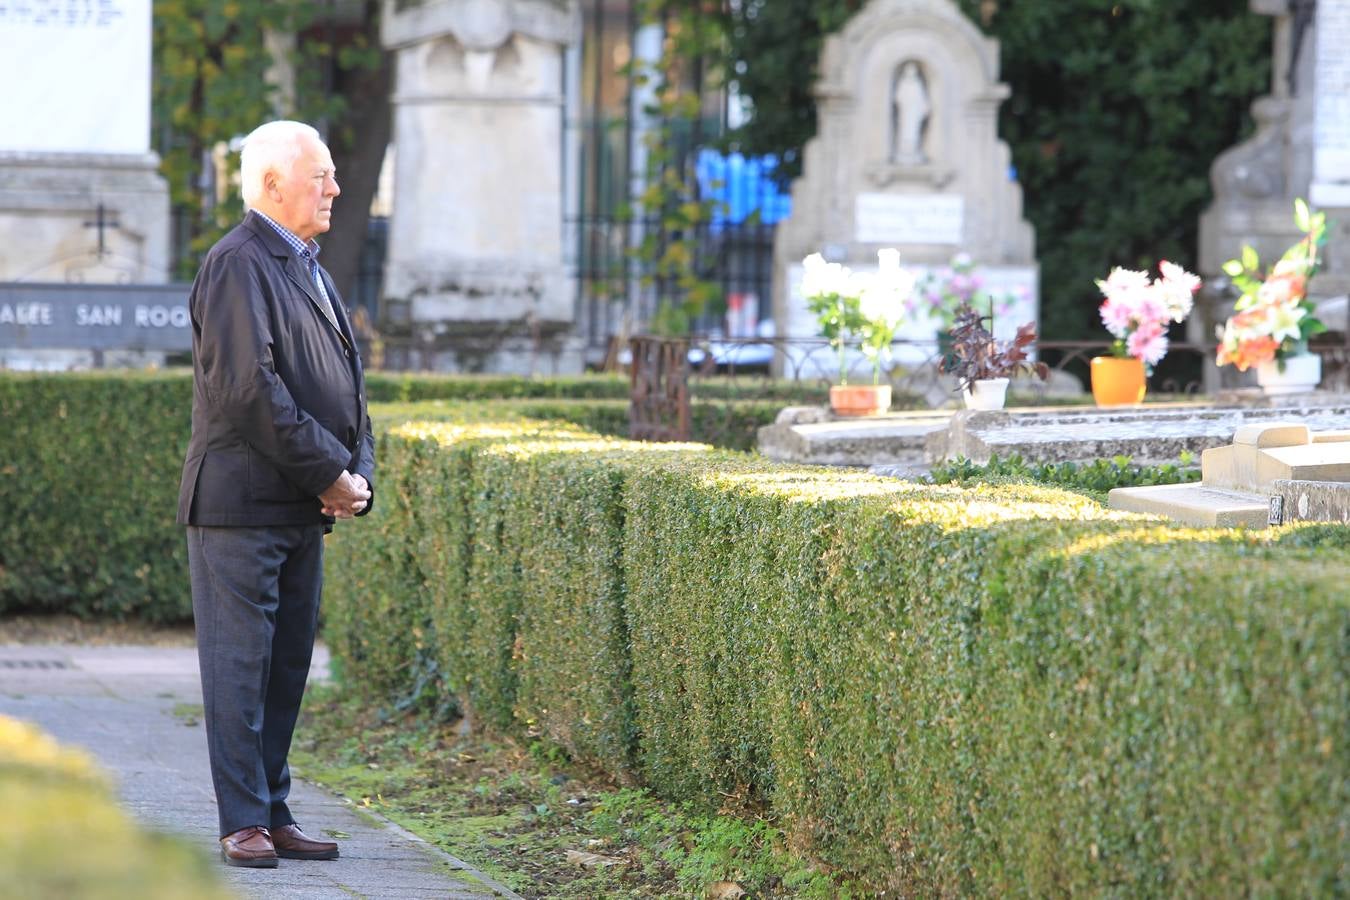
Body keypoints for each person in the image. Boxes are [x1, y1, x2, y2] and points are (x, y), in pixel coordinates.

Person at [177, 120, 375, 868]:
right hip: (240, 508)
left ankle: (273, 808)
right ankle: (243, 820)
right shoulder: (238, 262)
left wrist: (355, 474)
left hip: (298, 504)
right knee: (239, 668)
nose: (335, 188)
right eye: (320, 176)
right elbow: (247, 389)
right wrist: (329, 473)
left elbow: (348, 385)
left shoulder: (306, 264)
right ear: (270, 185)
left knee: (287, 666)